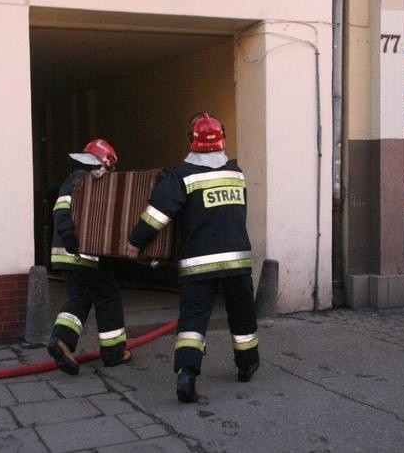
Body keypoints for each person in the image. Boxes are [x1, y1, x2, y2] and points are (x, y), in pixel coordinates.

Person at [125, 112, 259, 403]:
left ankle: (187, 374)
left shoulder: (182, 176)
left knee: (193, 320)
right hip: (237, 262)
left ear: (192, 141)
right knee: (242, 315)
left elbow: (158, 215)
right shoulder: (236, 173)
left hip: (198, 264)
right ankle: (247, 365)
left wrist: (135, 242)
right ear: (222, 138)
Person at [47, 138, 132, 374]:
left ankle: (60, 341)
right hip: (85, 255)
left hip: (66, 255)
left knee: (79, 299)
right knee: (108, 298)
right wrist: (74, 240)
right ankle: (114, 353)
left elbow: (61, 213)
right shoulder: (86, 181)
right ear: (104, 161)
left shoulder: (72, 180)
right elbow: (63, 213)